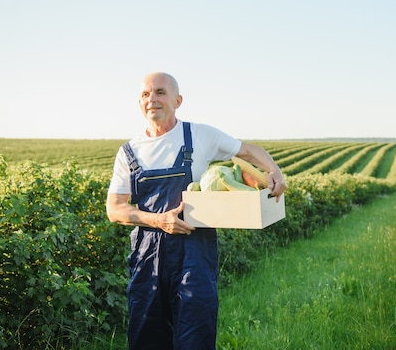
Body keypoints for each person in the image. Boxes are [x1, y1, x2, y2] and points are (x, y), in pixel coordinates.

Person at [106, 72, 287, 350]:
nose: (151, 99)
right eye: (145, 94)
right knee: (147, 336)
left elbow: (248, 151)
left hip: (195, 256)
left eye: (160, 92)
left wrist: (274, 172)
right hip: (147, 257)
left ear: (177, 100)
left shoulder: (200, 135)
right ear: (139, 103)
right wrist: (158, 220)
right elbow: (115, 208)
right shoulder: (129, 152)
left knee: (196, 335)